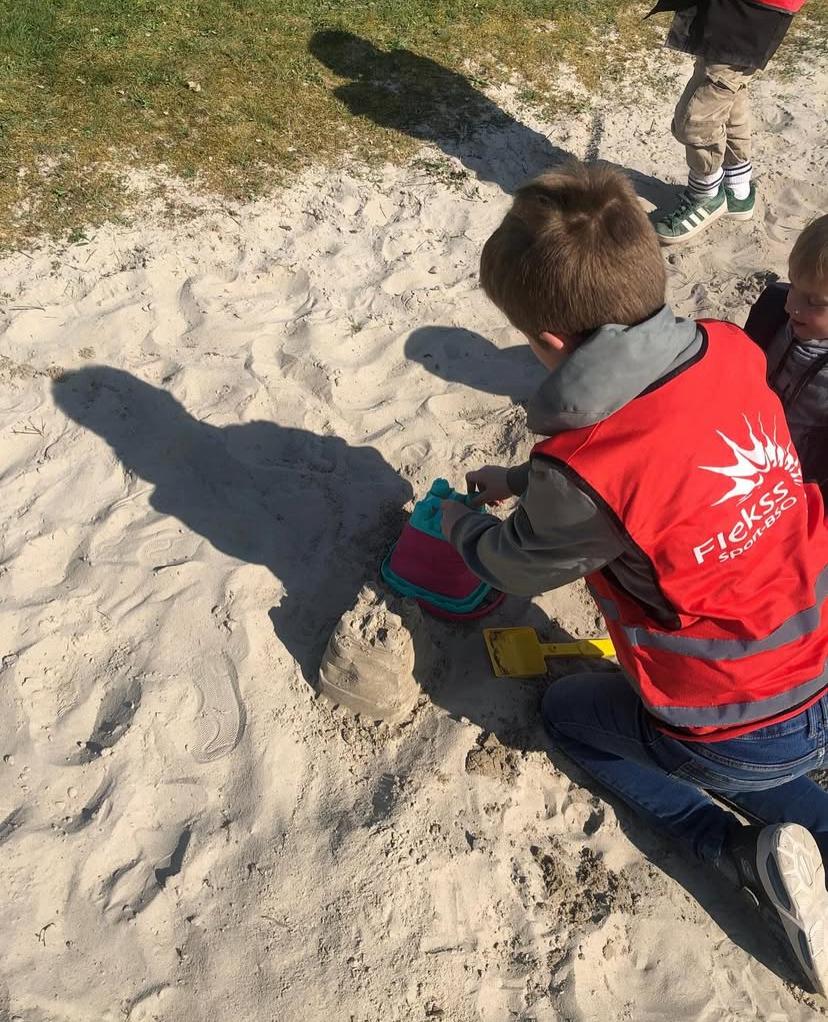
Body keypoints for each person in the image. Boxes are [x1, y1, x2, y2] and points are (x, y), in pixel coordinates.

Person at [438, 161, 828, 994]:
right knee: (775, 765)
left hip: (721, 718)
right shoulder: (730, 350)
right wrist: (525, 480)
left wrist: (462, 525)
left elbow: (515, 562)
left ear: (547, 342)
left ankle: (730, 852)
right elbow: (675, 459)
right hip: (813, 667)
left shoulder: (588, 468)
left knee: (572, 716)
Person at [648, 0, 807, 245]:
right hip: (743, 7)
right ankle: (737, 187)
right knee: (728, 89)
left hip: (755, 8)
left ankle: (705, 195)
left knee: (697, 115)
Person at [745, 214, 828, 495]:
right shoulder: (772, 311)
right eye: (793, 285)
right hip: (745, 449)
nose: (793, 306)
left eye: (815, 302)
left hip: (797, 484)